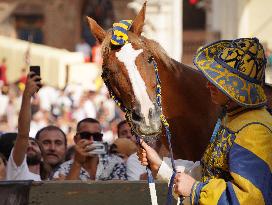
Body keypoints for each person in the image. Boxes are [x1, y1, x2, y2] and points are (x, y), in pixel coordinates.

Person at [138, 38, 272, 204]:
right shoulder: (233, 117)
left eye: (218, 81)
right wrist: (159, 165)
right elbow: (209, 173)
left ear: (235, 89)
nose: (209, 85)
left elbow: (251, 198)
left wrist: (196, 189)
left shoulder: (254, 129)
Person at [53, 118, 127, 180]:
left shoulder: (115, 163)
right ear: (75, 139)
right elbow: (66, 195)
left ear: (101, 139)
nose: (91, 140)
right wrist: (77, 163)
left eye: (97, 136)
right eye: (85, 135)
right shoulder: (64, 168)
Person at [6, 72, 43, 181]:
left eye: (34, 143)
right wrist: (27, 95)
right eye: (26, 143)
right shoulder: (16, 169)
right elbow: (23, 134)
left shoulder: (51, 178)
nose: (29, 145)